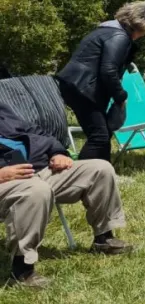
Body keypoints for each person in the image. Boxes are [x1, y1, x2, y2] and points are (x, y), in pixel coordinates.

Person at [1, 104, 129, 287]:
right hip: (7, 181)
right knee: (35, 191)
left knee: (100, 169)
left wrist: (57, 152)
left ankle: (104, 238)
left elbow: (36, 132)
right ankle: (22, 270)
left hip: (39, 168)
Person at [56, 1, 145, 162]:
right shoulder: (119, 36)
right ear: (143, 25)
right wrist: (121, 96)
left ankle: (104, 173)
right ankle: (81, 176)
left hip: (76, 86)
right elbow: (108, 70)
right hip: (83, 88)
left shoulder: (106, 30)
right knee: (99, 136)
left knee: (102, 133)